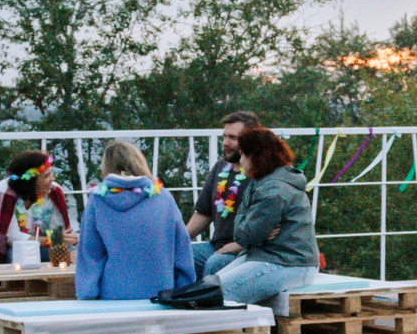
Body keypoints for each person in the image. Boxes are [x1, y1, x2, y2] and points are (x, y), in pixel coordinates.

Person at [205, 127, 318, 306]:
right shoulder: (263, 181)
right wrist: (249, 224)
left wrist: (247, 222)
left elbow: (245, 235)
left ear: (256, 157)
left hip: (291, 264)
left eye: (243, 155)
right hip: (267, 256)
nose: (240, 161)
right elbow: (247, 233)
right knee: (208, 287)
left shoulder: (273, 190)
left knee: (219, 294)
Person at [76, 141, 196, 300]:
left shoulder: (98, 201)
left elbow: (90, 255)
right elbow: (182, 248)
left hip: (112, 297)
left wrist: (87, 294)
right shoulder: (163, 197)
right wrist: (184, 289)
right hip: (161, 295)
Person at [0, 150, 75, 266]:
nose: (52, 178)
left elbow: (58, 230)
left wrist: (64, 238)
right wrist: (51, 239)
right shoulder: (4, 192)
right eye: (47, 175)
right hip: (9, 250)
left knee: (76, 254)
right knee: (21, 257)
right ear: (31, 180)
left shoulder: (53, 192)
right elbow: (11, 237)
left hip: (43, 248)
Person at [186, 110, 256, 279]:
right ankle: (177, 301)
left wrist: (238, 246)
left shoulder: (259, 172)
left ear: (251, 139)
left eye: (233, 138)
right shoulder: (220, 167)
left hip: (246, 251)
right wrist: (177, 240)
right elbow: (203, 213)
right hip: (215, 246)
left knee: (216, 262)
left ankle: (205, 302)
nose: (225, 143)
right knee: (176, 254)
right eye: (224, 136)